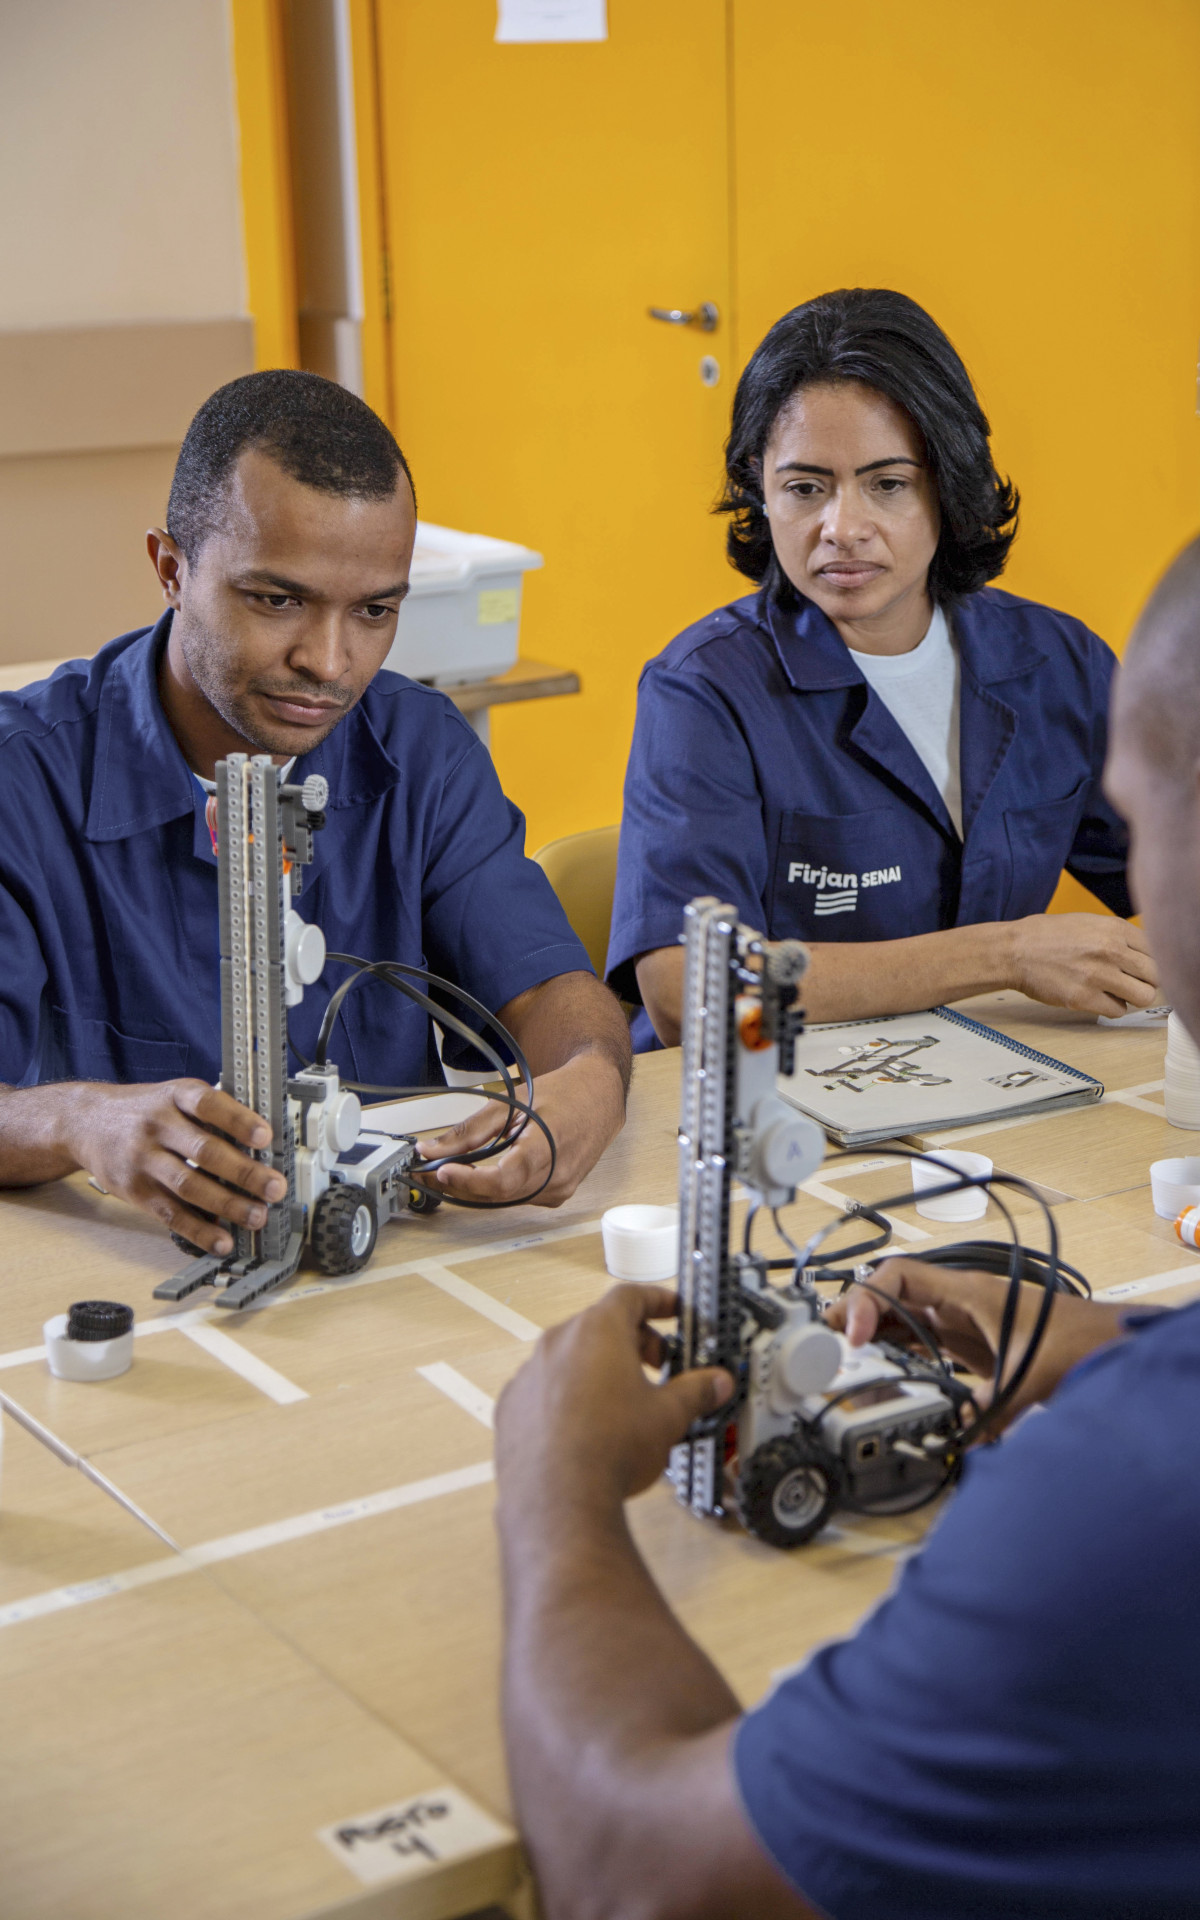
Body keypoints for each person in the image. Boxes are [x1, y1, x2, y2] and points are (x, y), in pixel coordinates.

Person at [493, 537, 1200, 1920]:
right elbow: (690, 985)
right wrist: (1125, 1338)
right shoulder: (709, 683)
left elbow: (644, 1877)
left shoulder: (1122, 1509)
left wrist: (554, 1498)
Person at [0, 370, 630, 1254]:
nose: (330, 662)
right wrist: (79, 1121)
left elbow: (549, 989)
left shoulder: (422, 752)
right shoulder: (22, 783)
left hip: (380, 1263)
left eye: (374, 612)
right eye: (278, 600)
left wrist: (592, 1075)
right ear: (171, 569)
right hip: (126, 1282)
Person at [607, 288, 1157, 1047]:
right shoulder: (702, 692)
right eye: (805, 488)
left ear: (949, 485)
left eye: (887, 484)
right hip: (768, 1111)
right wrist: (1006, 955)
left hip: (994, 1080)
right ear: (759, 492)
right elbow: (688, 998)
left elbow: (1173, 867)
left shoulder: (1056, 660)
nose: (842, 529)